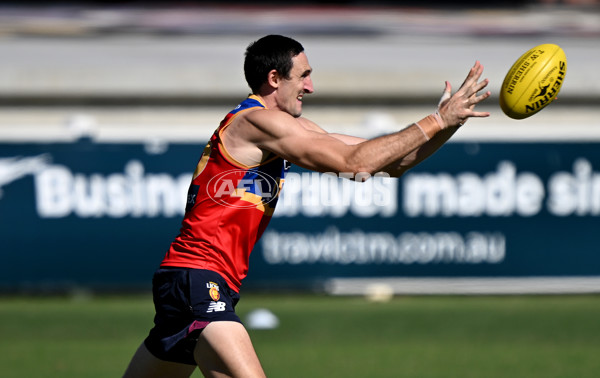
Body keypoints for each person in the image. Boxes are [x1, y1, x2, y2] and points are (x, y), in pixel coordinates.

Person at [123, 34, 491, 378]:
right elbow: (355, 163)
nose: (310, 87)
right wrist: (435, 120)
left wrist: (448, 123)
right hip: (198, 280)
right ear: (274, 78)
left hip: (193, 281)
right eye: (304, 76)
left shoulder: (278, 127)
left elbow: (389, 162)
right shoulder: (256, 122)